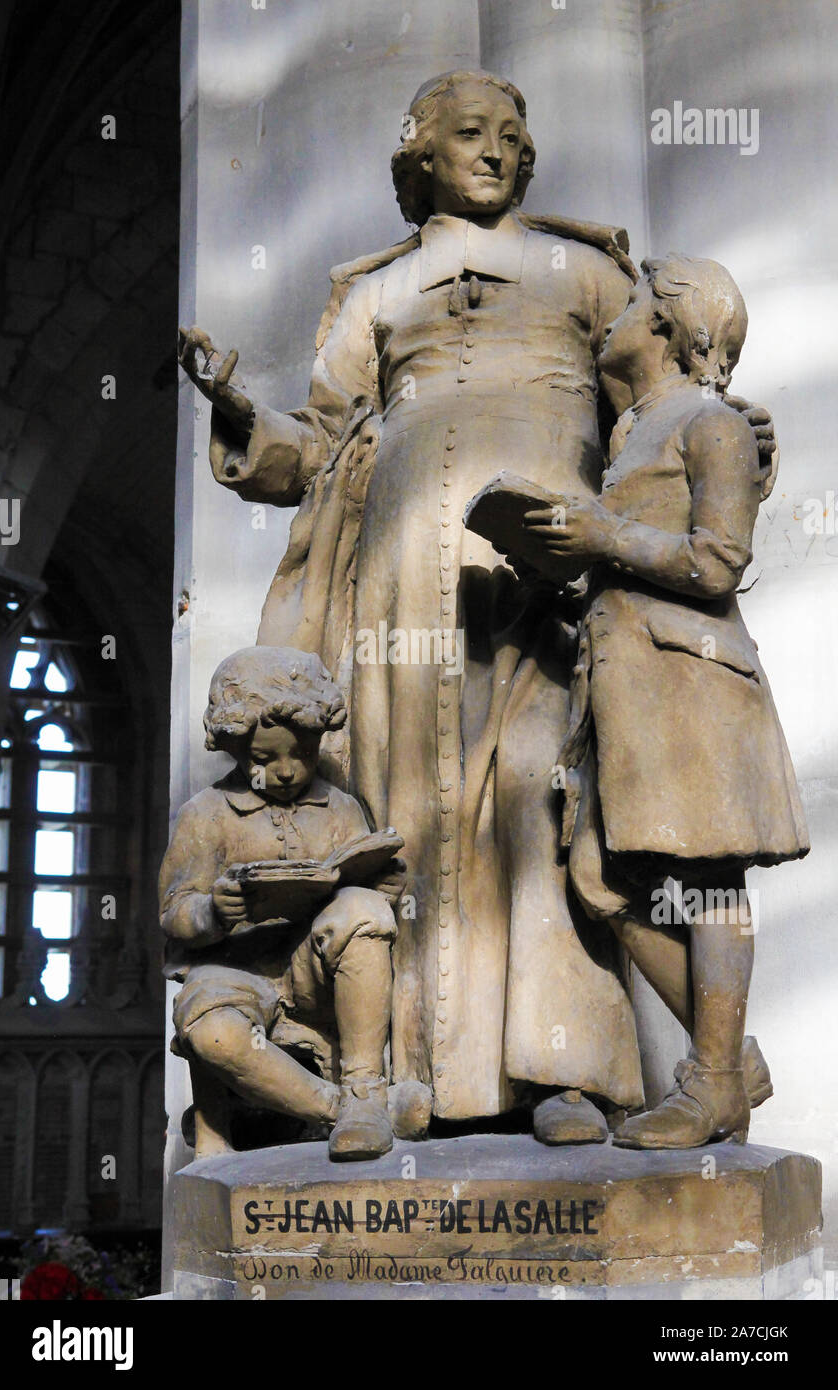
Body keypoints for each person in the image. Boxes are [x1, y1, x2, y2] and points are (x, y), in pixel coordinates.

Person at [177, 70, 777, 1144]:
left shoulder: (588, 270)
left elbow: (662, 402)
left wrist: (734, 444)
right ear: (419, 152)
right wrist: (236, 410)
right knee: (405, 800)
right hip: (402, 578)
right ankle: (403, 1070)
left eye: (512, 133)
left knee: (542, 808)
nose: (496, 150)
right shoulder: (372, 290)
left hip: (545, 578)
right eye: (470, 134)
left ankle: (563, 1070)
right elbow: (315, 446)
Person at [523, 255, 809, 1146]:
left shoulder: (710, 422)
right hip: (629, 687)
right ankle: (728, 1065)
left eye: (636, 298)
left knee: (711, 872)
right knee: (598, 874)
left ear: (668, 326)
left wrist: (601, 533)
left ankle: (713, 1081)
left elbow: (720, 559)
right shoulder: (633, 433)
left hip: (694, 683)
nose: (617, 314)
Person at [159, 646, 400, 1161]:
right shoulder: (207, 813)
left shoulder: (339, 807)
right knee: (213, 1032)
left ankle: (364, 1086)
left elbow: (355, 887)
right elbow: (174, 910)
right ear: (235, 749)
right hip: (232, 974)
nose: (288, 771)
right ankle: (342, 1110)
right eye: (265, 759)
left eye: (304, 754)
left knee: (363, 910)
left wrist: (379, 889)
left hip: (310, 971)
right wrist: (211, 912)